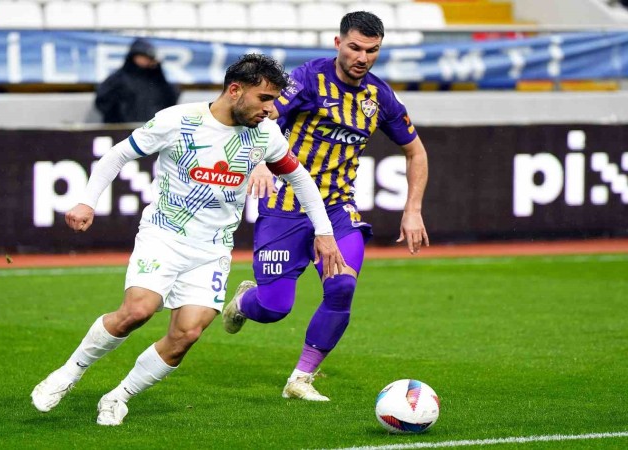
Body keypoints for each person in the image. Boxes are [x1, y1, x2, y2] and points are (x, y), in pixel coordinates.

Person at [31, 54, 345, 426]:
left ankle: (118, 397)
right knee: (137, 311)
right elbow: (118, 154)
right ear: (235, 90)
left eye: (274, 100)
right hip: (164, 236)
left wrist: (324, 232)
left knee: (187, 334)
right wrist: (87, 201)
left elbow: (300, 179)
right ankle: (68, 373)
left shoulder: (265, 134)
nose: (271, 109)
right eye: (264, 98)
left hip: (212, 249)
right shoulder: (178, 120)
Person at [223, 12, 429, 402]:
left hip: (337, 209)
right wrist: (261, 162)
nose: (363, 58)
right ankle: (245, 301)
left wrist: (413, 209)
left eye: (372, 50)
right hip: (285, 206)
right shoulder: (306, 79)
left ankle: (300, 378)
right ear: (338, 43)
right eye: (355, 47)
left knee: (342, 287)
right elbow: (263, 115)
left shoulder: (379, 96)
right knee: (274, 308)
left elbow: (415, 151)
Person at [95, 38, 180, 124]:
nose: (144, 60)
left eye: (148, 58)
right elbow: (103, 103)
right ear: (133, 57)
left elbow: (170, 102)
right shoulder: (118, 79)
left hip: (152, 128)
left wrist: (159, 74)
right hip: (124, 129)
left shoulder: (156, 80)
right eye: (141, 56)